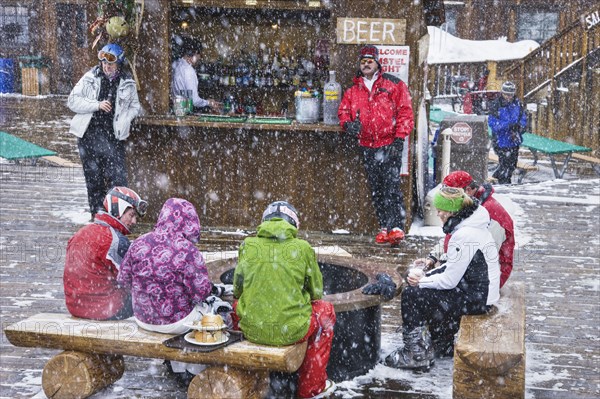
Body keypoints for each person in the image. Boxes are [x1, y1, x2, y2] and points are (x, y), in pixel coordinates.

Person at [384, 187, 500, 369]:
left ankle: (416, 354)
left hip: (479, 299)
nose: (438, 214)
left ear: (452, 210)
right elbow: (453, 267)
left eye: (440, 209)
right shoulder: (473, 226)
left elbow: (449, 281)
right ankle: (441, 343)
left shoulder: (464, 234)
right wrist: (427, 275)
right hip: (482, 292)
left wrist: (420, 281)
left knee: (412, 295)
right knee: (432, 290)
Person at [232, 201, 337, 399]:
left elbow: (238, 290)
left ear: (264, 222)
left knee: (236, 306)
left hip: (252, 329)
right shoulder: (303, 248)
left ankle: (246, 378)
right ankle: (311, 388)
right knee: (326, 311)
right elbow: (316, 292)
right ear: (294, 224)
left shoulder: (248, 245)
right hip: (292, 331)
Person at [117, 198, 228, 379]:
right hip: (176, 322)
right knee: (211, 312)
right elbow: (201, 292)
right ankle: (194, 370)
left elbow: (123, 280)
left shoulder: (139, 242)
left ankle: (175, 368)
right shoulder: (188, 250)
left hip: (143, 318)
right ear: (190, 221)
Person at [338, 44, 414, 246]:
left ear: (377, 63)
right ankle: (383, 227)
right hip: (367, 145)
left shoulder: (394, 84)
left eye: (370, 61)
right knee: (377, 189)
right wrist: (348, 124)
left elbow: (405, 112)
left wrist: (399, 139)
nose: (366, 64)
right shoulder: (353, 90)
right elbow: (343, 112)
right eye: (363, 61)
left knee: (392, 187)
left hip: (389, 143)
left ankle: (396, 227)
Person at [68, 43, 141, 220]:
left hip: (113, 137)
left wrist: (125, 119)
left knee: (118, 181)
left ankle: (118, 219)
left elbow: (135, 106)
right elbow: (72, 101)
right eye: (104, 63)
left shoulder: (127, 82)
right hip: (89, 136)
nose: (106, 66)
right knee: (94, 181)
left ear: (119, 64)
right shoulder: (90, 78)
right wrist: (96, 105)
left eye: (111, 63)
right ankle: (98, 218)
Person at [64, 186, 147, 320]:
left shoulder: (81, 232)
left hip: (75, 306)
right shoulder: (115, 240)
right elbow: (135, 280)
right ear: (117, 210)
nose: (134, 222)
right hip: (104, 309)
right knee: (151, 296)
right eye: (131, 215)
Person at [440, 170, 515, 287]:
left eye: (451, 197)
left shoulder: (492, 215)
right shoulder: (467, 205)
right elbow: (452, 236)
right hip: (465, 268)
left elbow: (481, 256)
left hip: (486, 280)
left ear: (468, 190)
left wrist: (443, 264)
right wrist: (433, 257)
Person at [488, 81, 527, 184]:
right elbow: (493, 123)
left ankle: (497, 179)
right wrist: (508, 125)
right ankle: (504, 185)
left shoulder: (518, 104)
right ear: (502, 93)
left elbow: (523, 119)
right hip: (501, 141)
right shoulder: (496, 105)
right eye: (506, 94)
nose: (508, 97)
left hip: (514, 140)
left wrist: (520, 127)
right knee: (505, 165)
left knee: (512, 165)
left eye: (511, 94)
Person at [171, 37, 220, 112]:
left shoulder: (177, 65)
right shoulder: (188, 70)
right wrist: (209, 102)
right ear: (192, 54)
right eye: (199, 55)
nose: (200, 58)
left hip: (178, 110)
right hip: (185, 112)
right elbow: (194, 101)